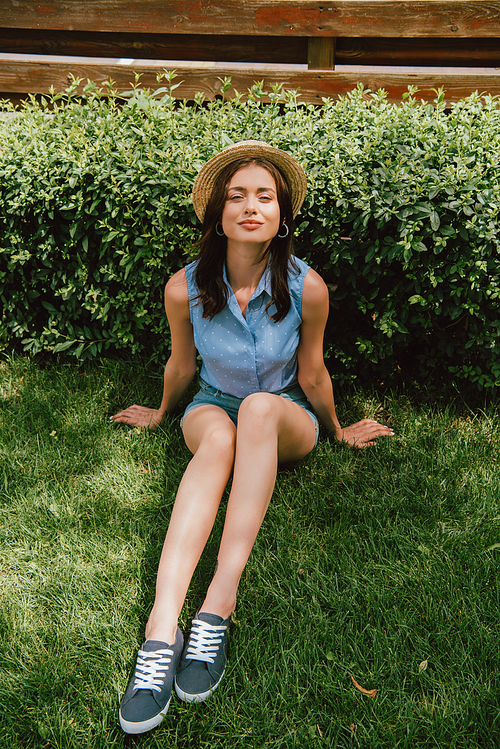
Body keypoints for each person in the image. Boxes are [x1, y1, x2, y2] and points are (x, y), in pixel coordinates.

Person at [111, 140, 393, 735]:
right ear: (218, 213)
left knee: (261, 407)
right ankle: (162, 630)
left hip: (283, 415)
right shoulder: (183, 287)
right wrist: (165, 411)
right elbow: (182, 365)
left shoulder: (306, 287)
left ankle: (219, 600)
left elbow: (312, 372)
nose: (250, 206)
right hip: (213, 408)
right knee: (218, 439)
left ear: (281, 214)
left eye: (264, 196)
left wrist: (338, 431)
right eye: (236, 195)